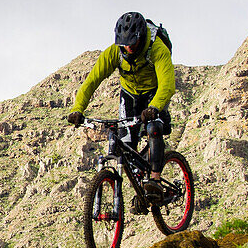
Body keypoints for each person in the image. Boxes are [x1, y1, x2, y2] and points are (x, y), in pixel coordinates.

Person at [66, 12, 174, 196]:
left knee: (153, 128)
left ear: (140, 37)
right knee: (126, 144)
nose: (128, 47)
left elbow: (167, 84)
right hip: (130, 94)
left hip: (154, 92)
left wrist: (154, 107)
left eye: (132, 42)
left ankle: (155, 179)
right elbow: (91, 81)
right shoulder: (114, 52)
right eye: (124, 42)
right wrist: (78, 109)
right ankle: (140, 189)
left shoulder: (157, 49)